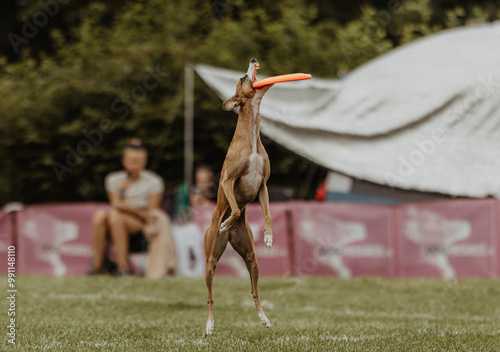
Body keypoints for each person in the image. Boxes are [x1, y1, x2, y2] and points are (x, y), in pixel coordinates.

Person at [91, 138, 176, 277]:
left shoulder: (154, 182)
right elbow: (116, 205)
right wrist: (122, 191)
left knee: (116, 217)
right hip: (116, 222)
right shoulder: (114, 180)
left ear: (144, 163)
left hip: (142, 226)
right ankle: (97, 267)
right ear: (124, 161)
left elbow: (151, 216)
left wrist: (132, 210)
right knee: (100, 215)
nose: (134, 166)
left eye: (138, 162)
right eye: (131, 162)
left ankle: (122, 268)